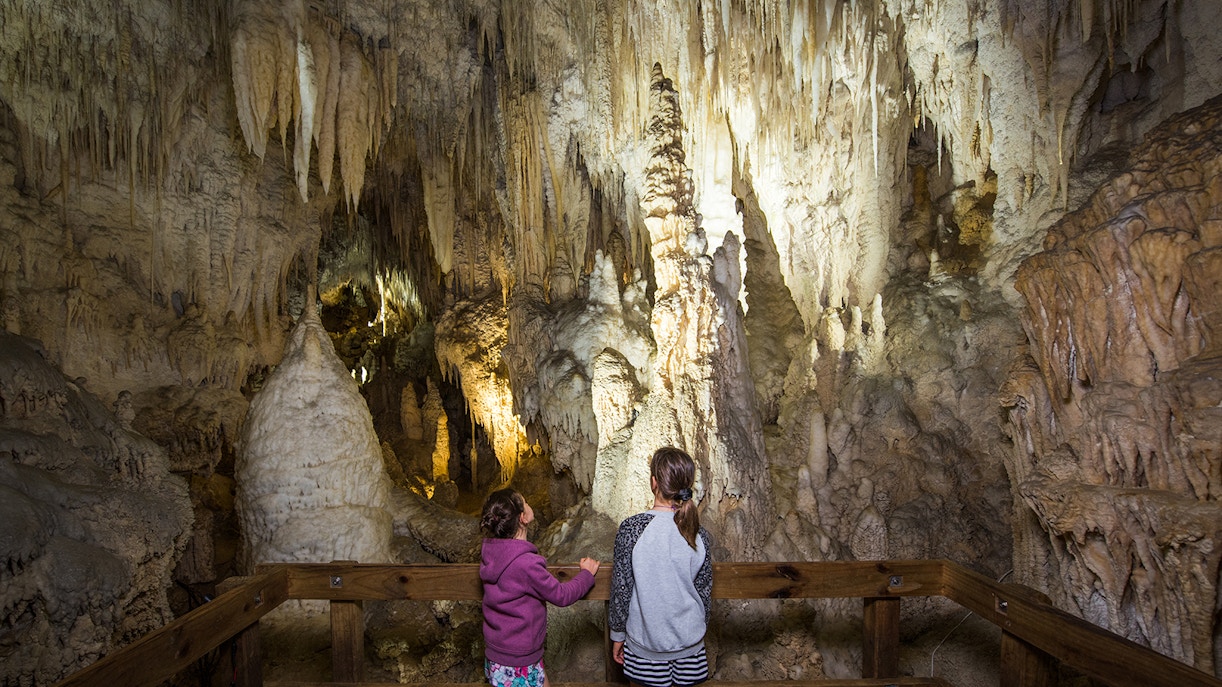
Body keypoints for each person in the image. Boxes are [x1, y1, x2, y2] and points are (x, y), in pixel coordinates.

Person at [609, 447, 713, 687]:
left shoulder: (632, 529)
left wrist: (617, 634)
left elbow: (622, 589)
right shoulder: (698, 533)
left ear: (654, 482)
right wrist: (698, 628)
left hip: (646, 647)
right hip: (690, 646)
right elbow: (704, 591)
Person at [480, 488, 601, 687]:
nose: (529, 505)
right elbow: (561, 595)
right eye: (525, 502)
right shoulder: (526, 564)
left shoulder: (491, 556)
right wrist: (586, 575)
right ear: (523, 517)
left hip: (498, 654)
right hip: (519, 660)